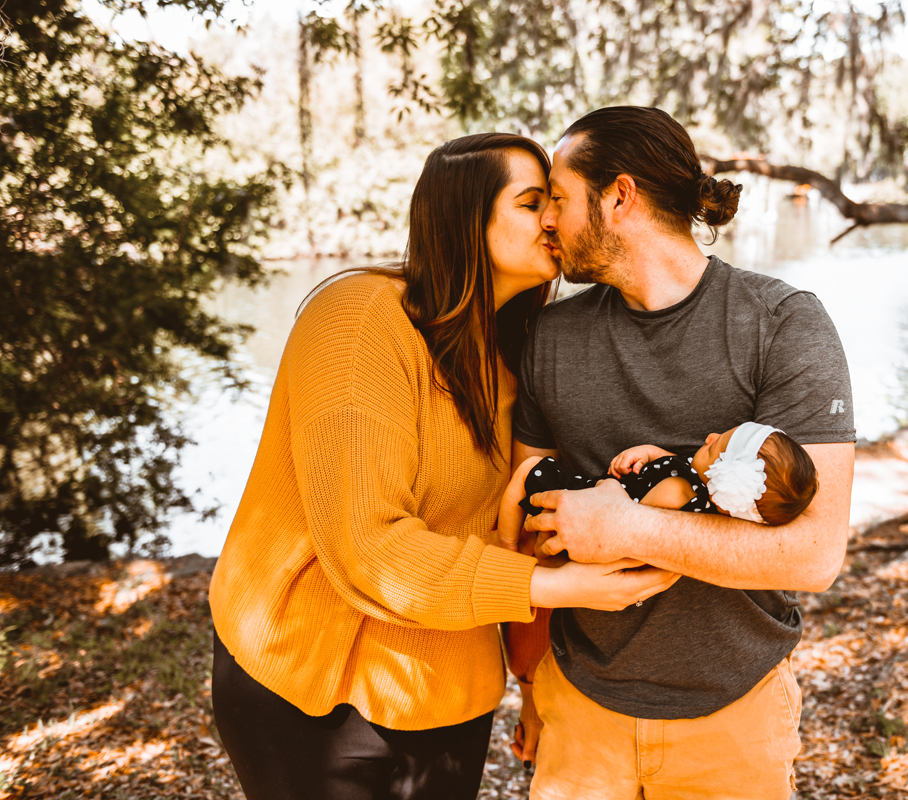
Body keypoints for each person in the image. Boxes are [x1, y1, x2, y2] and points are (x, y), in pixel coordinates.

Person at [207, 132, 679, 800]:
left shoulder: (512, 358)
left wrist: (532, 682)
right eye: (530, 201)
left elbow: (513, 539)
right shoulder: (361, 319)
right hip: (309, 683)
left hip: (445, 693)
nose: (554, 218)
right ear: (463, 215)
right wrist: (570, 588)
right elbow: (368, 548)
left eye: (554, 200)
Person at [505, 107, 856, 800]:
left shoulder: (783, 325)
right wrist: (532, 687)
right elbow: (531, 535)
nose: (545, 219)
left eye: (558, 199)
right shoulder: (549, 338)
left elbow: (813, 556)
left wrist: (630, 530)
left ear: (620, 198)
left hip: (735, 718)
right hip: (580, 709)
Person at [498, 422, 819, 553]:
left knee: (531, 470)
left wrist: (611, 484)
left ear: (724, 476)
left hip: (585, 505)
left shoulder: (679, 491)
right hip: (593, 507)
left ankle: (507, 543)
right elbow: (674, 464)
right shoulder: (696, 489)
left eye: (714, 447)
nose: (708, 438)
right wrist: (649, 452)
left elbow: (624, 517)